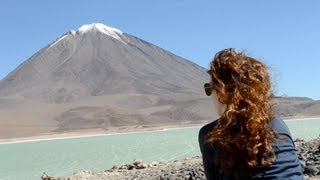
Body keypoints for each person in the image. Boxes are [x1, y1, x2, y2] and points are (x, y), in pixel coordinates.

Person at [199, 48, 303, 179]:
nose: (210, 96)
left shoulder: (210, 134)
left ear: (221, 91)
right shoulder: (278, 124)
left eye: (209, 88)